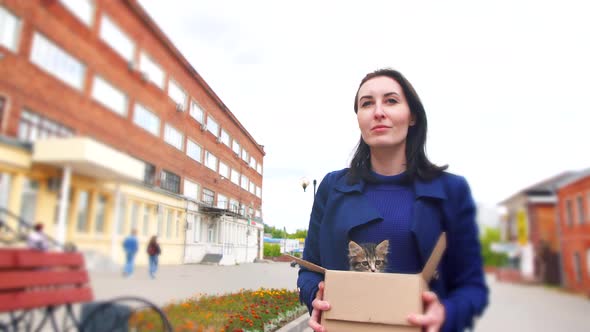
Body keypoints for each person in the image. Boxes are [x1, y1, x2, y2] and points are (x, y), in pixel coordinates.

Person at [297, 68, 488, 332]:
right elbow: (309, 270)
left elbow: (472, 287)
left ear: (412, 117)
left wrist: (445, 313)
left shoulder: (452, 190)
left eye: (391, 101)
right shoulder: (332, 187)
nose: (378, 112)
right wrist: (314, 298)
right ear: (359, 119)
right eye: (366, 103)